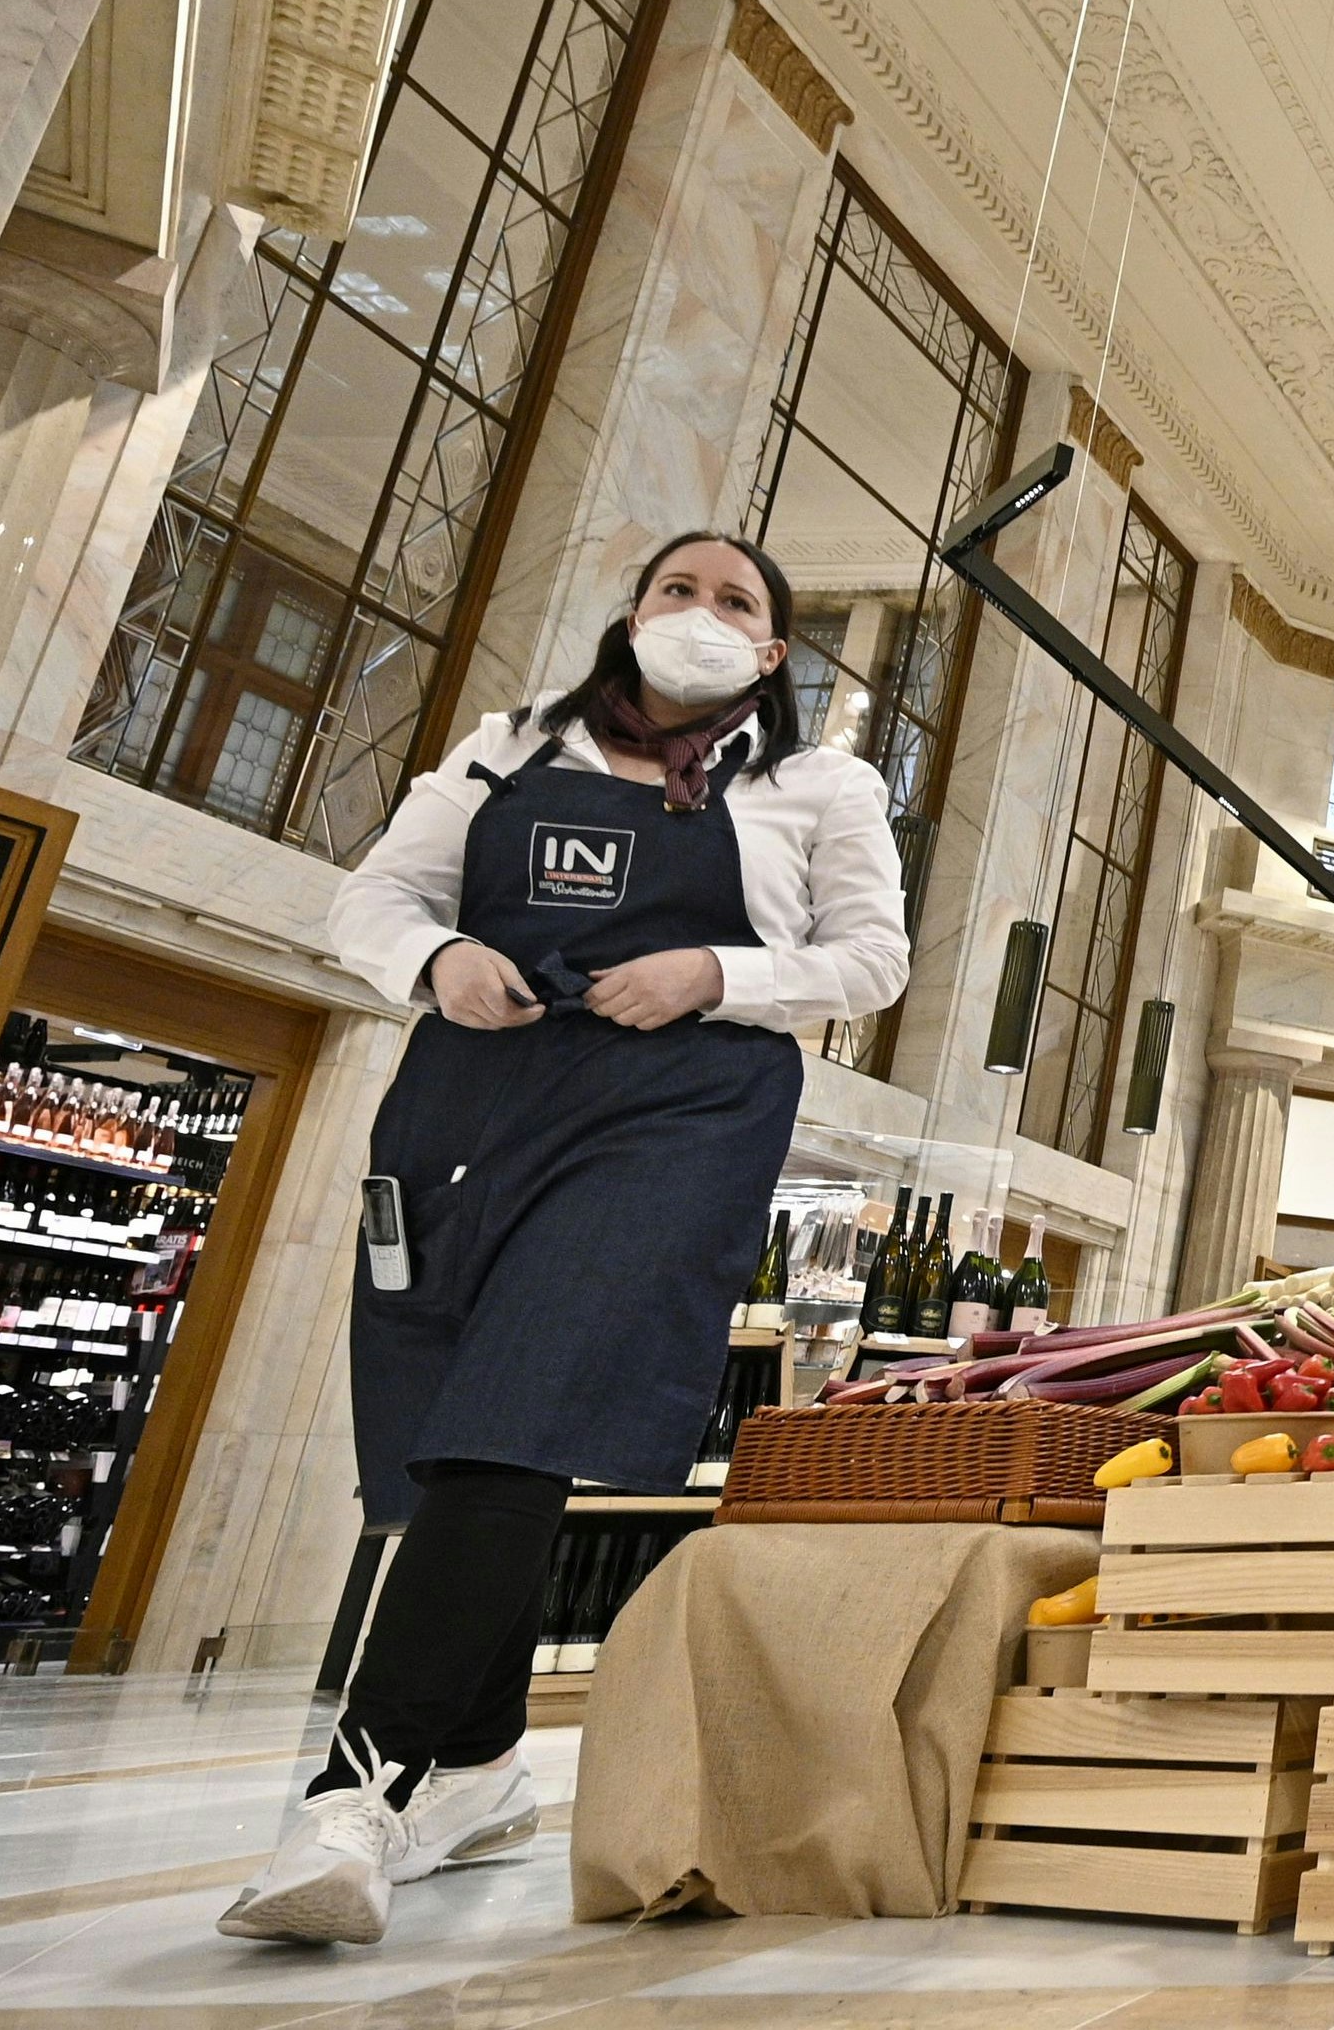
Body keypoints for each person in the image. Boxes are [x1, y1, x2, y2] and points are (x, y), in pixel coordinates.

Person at [226, 534, 908, 1946]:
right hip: (473, 1098)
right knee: (442, 1432)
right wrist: (435, 960)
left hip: (681, 1109)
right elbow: (372, 897)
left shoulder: (819, 784)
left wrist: (716, 969)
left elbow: (869, 959)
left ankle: (356, 1798)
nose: (702, 613)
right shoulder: (502, 749)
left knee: (520, 1408)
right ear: (632, 611)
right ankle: (479, 1766)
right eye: (680, 589)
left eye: (737, 602)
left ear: (775, 654)